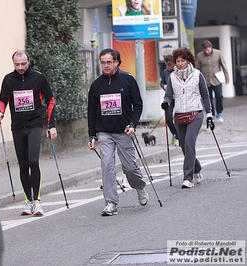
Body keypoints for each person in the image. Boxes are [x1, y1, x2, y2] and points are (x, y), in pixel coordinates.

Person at [0, 50, 57, 216]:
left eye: (23, 64)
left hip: (35, 125)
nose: (20, 67)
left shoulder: (38, 78)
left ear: (29, 62)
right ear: (13, 63)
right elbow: (2, 100)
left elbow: (51, 100)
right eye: (17, 64)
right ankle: (28, 201)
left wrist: (51, 125)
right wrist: (0, 113)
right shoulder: (8, 79)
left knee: (33, 161)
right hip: (17, 127)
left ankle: (37, 201)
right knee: (23, 164)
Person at [87, 48, 149, 216]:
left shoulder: (127, 80)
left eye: (109, 62)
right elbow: (91, 111)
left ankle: (140, 187)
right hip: (104, 132)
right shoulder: (96, 85)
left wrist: (133, 124)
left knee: (129, 167)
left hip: (124, 131)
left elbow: (138, 104)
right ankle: (111, 203)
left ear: (116, 62)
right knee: (107, 165)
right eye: (103, 63)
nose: (105, 66)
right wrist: (92, 135)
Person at [161, 47, 214, 189]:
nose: (179, 63)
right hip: (179, 116)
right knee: (184, 147)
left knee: (189, 144)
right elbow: (169, 94)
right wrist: (166, 102)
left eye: (182, 60)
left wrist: (209, 114)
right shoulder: (172, 77)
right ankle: (196, 167)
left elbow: (205, 95)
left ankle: (187, 178)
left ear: (188, 60)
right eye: (177, 61)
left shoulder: (197, 75)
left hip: (195, 114)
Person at [196, 40, 229, 123]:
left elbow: (224, 66)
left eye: (208, 49)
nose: (207, 51)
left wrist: (227, 77)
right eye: (205, 50)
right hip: (205, 81)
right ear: (203, 49)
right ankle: (212, 114)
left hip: (216, 79)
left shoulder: (218, 53)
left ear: (211, 48)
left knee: (219, 96)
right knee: (208, 99)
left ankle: (219, 112)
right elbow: (197, 69)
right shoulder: (199, 56)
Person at [160, 55, 179, 146]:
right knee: (168, 118)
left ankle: (178, 136)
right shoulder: (165, 72)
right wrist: (164, 86)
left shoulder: (176, 72)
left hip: (178, 97)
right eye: (166, 65)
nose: (168, 67)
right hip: (169, 97)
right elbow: (162, 82)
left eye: (169, 65)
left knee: (178, 117)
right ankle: (175, 134)